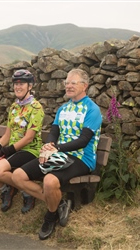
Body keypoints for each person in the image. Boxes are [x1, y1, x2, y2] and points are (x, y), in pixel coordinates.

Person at [12, 68, 102, 240]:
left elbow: (84, 140)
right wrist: (48, 146)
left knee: (50, 180)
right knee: (18, 176)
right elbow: (54, 132)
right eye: (66, 82)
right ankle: (59, 203)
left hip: (81, 157)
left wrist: (57, 149)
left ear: (85, 86)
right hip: (58, 154)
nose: (68, 86)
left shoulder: (92, 109)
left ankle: (50, 216)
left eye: (72, 83)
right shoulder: (63, 108)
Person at [0, 69, 44, 213]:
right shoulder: (14, 107)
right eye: (16, 84)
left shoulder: (36, 108)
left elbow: (29, 137)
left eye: (22, 84)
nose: (18, 87)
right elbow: (8, 134)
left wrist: (7, 150)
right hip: (12, 149)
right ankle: (6, 188)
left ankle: (27, 192)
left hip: (29, 150)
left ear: (30, 86)